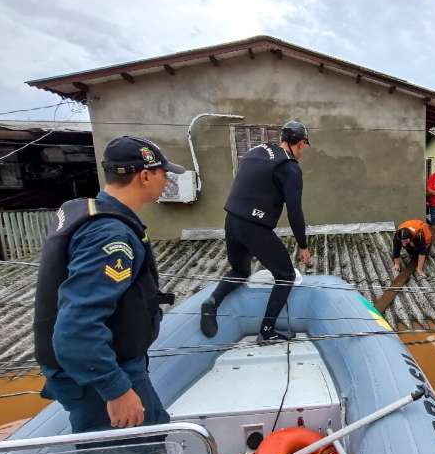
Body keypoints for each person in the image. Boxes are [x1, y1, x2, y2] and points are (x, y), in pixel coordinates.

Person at [34, 136, 182, 435]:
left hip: (106, 365)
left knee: (152, 437)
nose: (166, 179)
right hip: (99, 374)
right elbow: (76, 327)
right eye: (163, 173)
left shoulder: (91, 212)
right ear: (144, 175)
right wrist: (114, 389)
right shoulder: (109, 235)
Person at [201, 120, 311, 341]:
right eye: (304, 146)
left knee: (240, 271)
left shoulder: (257, 150)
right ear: (299, 143)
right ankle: (267, 331)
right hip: (254, 226)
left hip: (231, 219)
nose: (303, 151)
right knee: (286, 275)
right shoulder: (289, 167)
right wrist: (303, 245)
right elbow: (295, 212)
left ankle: (211, 302)